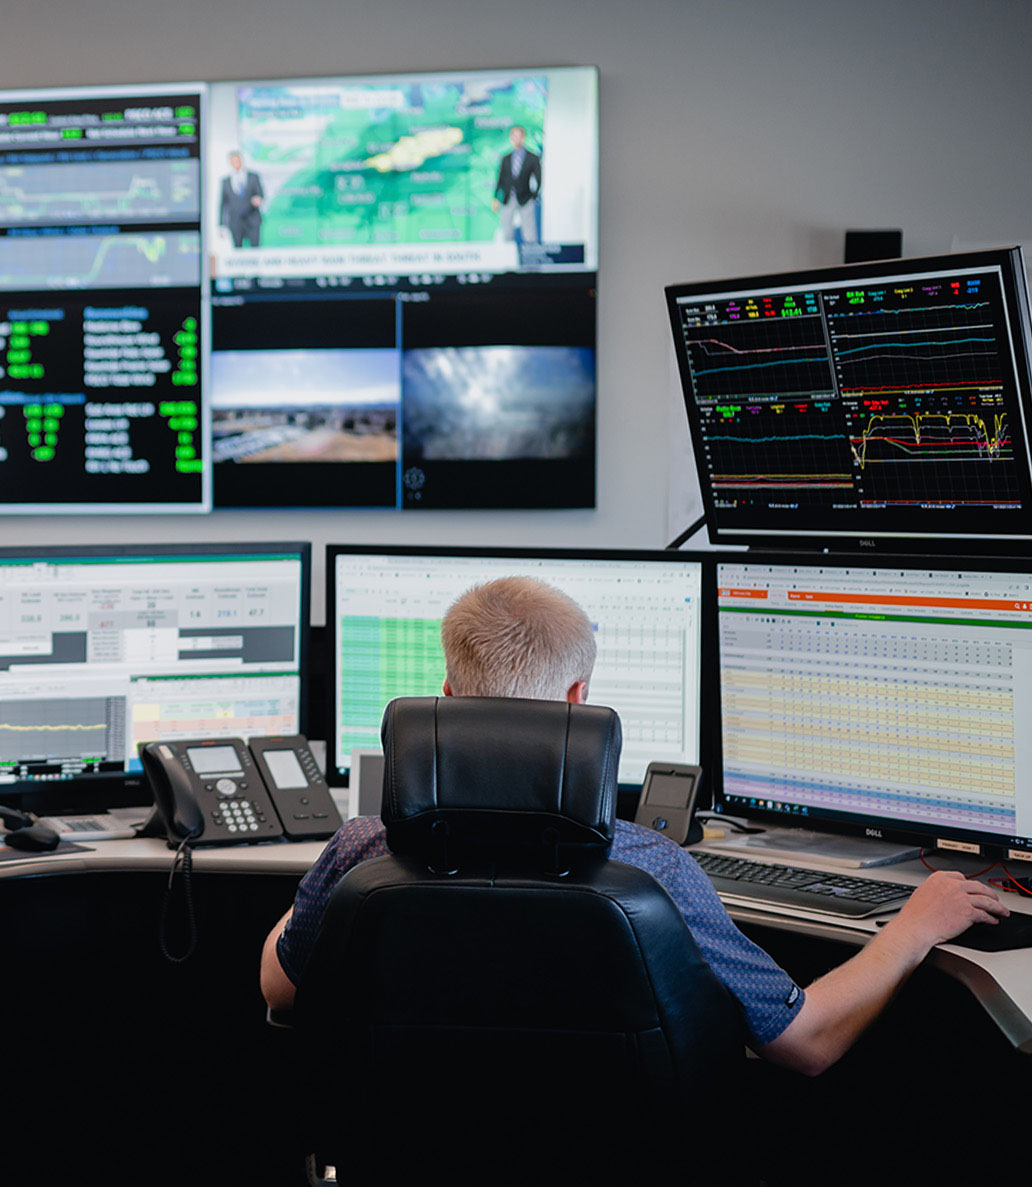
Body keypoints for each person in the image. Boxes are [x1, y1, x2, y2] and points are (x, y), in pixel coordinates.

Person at [260, 576, 1008, 1077]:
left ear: (448, 695)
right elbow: (805, 1041)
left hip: (406, 1157)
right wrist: (911, 929)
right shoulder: (652, 866)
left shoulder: (362, 848)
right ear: (580, 697)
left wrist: (321, 893)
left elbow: (278, 987)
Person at [491, 125, 541, 244]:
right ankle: (509, 260)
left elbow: (539, 179)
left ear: (523, 138)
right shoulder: (506, 158)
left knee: (529, 234)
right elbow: (501, 180)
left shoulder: (533, 158)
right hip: (508, 198)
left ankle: (532, 260)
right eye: (514, 136)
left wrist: (533, 195)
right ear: (511, 138)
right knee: (507, 233)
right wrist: (496, 198)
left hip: (525, 198)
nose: (517, 139)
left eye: (519, 136)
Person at [219, 150, 264, 247]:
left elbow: (260, 194)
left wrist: (258, 200)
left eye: (237, 160)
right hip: (235, 222)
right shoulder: (226, 182)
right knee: (237, 250)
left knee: (255, 250)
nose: (236, 163)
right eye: (233, 161)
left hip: (252, 219)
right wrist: (222, 225)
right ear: (230, 163)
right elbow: (223, 204)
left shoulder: (253, 177)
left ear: (241, 161)